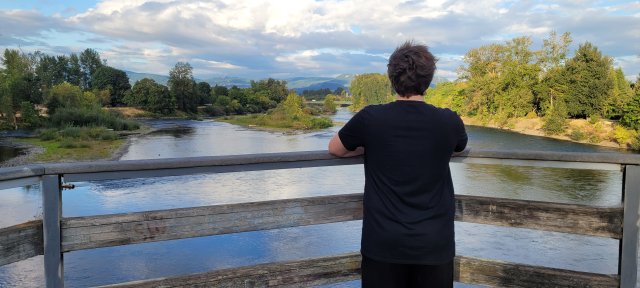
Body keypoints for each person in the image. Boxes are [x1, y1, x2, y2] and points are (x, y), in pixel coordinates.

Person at [328, 41, 468, 287]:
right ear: (429, 79)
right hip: (434, 244)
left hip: (383, 243)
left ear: (391, 77)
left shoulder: (370, 118)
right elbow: (459, 147)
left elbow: (335, 149)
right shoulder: (449, 120)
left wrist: (369, 148)